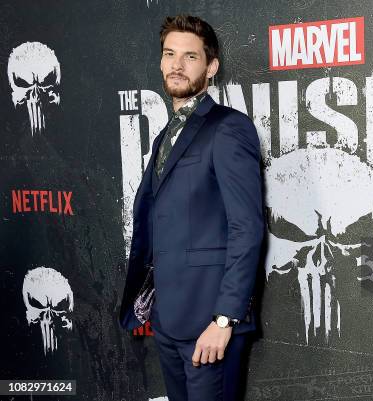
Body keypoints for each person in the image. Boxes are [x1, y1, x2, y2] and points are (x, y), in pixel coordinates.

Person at [119, 14, 264, 401]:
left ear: (211, 67)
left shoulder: (229, 128)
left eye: (190, 57)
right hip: (168, 321)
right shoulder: (166, 135)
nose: (177, 65)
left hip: (210, 325)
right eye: (169, 54)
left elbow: (246, 228)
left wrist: (224, 319)